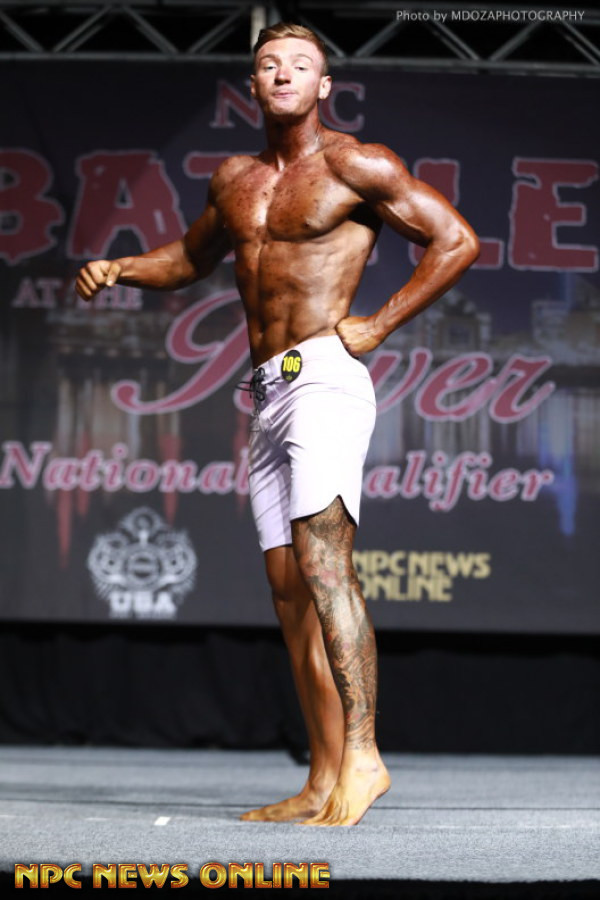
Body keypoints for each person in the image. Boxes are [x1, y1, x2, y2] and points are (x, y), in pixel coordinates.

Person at [76, 22, 479, 826]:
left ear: (324, 86)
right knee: (290, 593)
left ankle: (364, 758)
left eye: (300, 64)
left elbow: (456, 240)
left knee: (326, 566)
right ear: (253, 86)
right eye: (269, 64)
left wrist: (379, 324)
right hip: (267, 393)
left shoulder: (356, 163)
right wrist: (122, 266)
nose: (283, 73)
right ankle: (322, 777)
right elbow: (190, 259)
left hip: (326, 377)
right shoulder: (234, 179)